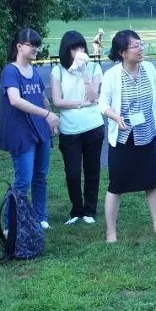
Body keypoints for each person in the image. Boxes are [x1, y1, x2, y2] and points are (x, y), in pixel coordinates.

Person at [98, 30, 156, 242]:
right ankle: (111, 233)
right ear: (122, 52)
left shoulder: (149, 68)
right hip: (123, 138)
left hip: (147, 135)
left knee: (151, 182)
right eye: (136, 46)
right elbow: (102, 104)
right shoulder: (112, 75)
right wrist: (115, 117)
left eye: (141, 44)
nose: (141, 49)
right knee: (116, 185)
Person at [0, 28, 58, 230]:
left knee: (40, 177)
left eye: (37, 46)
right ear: (19, 46)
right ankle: (9, 224)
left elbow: (42, 98)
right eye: (31, 45)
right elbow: (15, 100)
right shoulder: (10, 71)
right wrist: (46, 115)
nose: (35, 49)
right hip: (21, 133)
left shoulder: (33, 71)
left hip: (40, 130)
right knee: (23, 181)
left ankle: (41, 217)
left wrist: (50, 119)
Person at [50, 31, 104, 225]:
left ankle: (90, 210)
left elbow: (93, 97)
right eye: (74, 48)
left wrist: (84, 73)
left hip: (93, 126)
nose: (79, 51)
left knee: (92, 170)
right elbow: (57, 101)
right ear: (66, 50)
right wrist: (80, 104)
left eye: (81, 47)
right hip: (69, 130)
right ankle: (76, 210)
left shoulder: (94, 67)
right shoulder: (58, 71)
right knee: (72, 173)